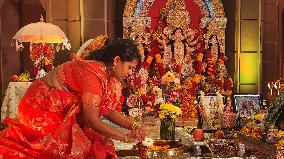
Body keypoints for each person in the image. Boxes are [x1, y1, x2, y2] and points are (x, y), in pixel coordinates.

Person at [0, 35, 147, 159]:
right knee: (74, 148)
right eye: (130, 68)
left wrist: (133, 125)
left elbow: (107, 110)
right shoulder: (93, 75)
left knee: (94, 143)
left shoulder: (109, 76)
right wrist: (125, 138)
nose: (130, 73)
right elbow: (91, 120)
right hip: (42, 107)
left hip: (62, 110)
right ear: (116, 61)